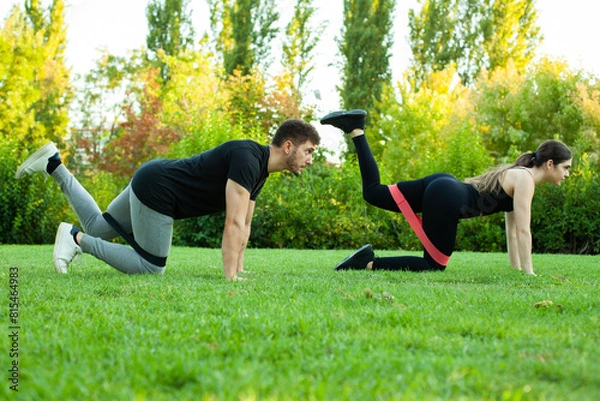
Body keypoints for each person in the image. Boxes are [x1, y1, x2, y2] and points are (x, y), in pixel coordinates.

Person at [15, 119, 320, 280]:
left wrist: (239, 269)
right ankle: (75, 239)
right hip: (159, 191)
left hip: (152, 176)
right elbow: (233, 223)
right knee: (151, 267)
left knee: (99, 226)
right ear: (289, 145)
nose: (310, 160)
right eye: (308, 151)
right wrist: (229, 278)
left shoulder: (259, 171)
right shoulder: (248, 159)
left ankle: (53, 163)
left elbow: (247, 225)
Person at [320, 109, 572, 276]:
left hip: (444, 185)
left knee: (374, 192)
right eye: (566, 168)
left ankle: (356, 129)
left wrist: (518, 270)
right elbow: (522, 231)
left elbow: (512, 229)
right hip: (447, 198)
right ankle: (368, 263)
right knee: (434, 264)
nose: (567, 173)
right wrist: (530, 274)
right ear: (550, 164)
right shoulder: (526, 179)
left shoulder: (519, 173)